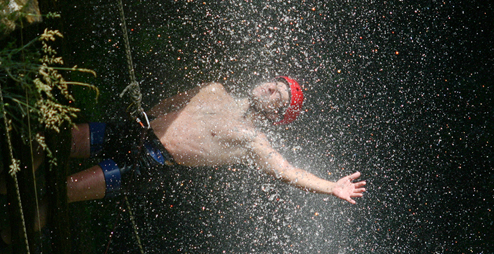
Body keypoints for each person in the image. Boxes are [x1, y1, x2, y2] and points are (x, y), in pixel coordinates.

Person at [63, 76, 365, 204]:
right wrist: (141, 116)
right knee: (61, 139)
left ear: (276, 116)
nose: (271, 89)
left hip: (149, 163)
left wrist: (332, 187)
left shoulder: (252, 140)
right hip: (137, 130)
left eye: (278, 97)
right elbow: (165, 106)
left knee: (68, 188)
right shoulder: (214, 90)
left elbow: (287, 171)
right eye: (275, 84)